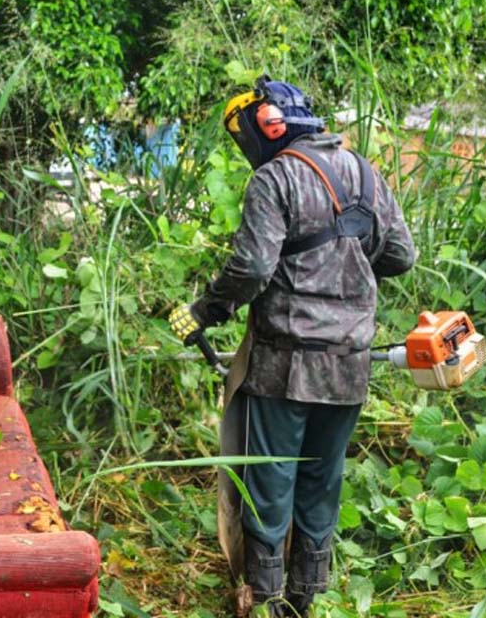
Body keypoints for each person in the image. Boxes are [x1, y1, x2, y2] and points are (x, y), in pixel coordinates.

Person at [169, 76, 415, 617]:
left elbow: (253, 267)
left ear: (270, 126)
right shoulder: (365, 173)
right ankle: (308, 601)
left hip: (285, 361)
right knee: (322, 480)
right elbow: (401, 255)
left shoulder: (275, 178)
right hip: (349, 360)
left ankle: (264, 600)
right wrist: (342, 268)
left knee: (270, 479)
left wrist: (204, 311)